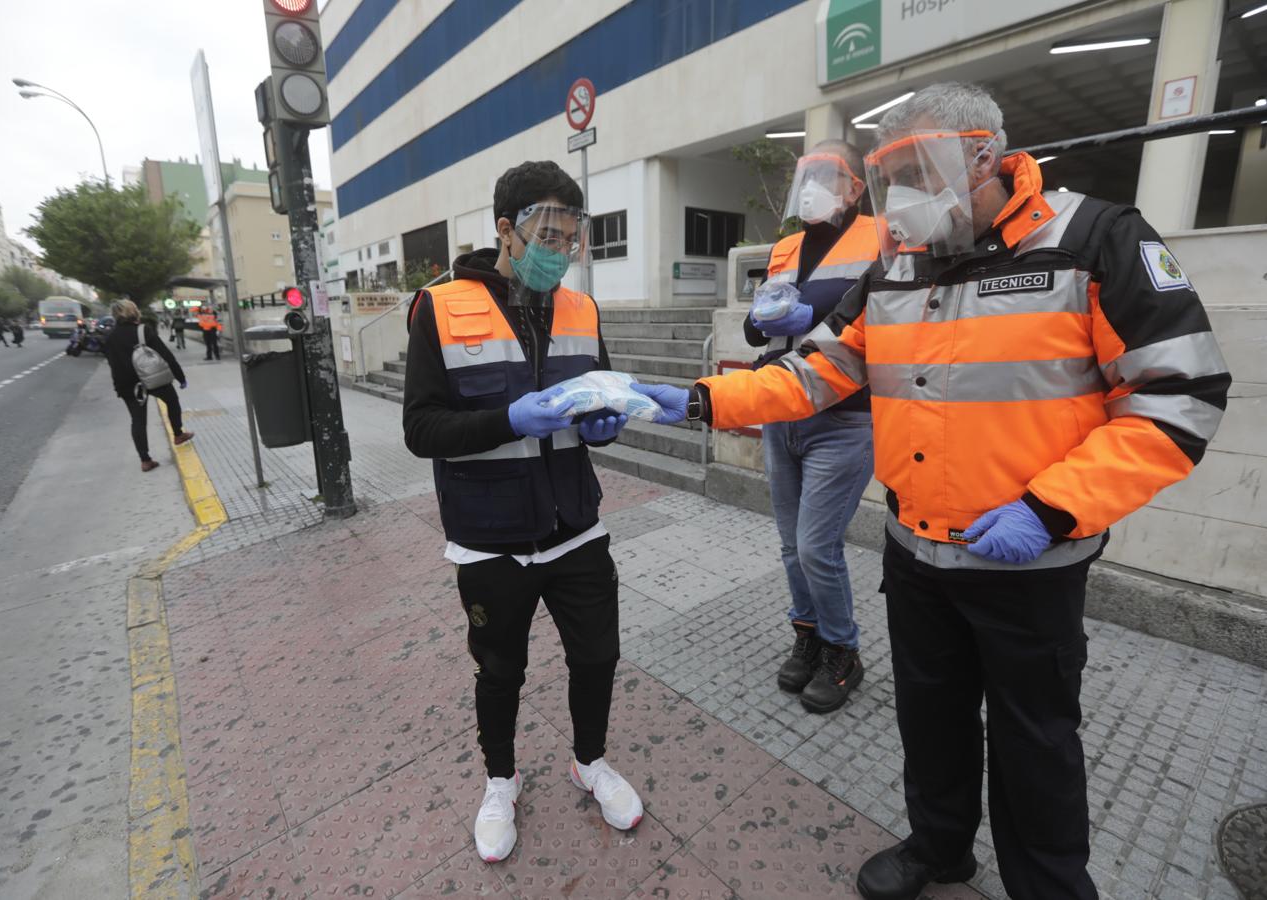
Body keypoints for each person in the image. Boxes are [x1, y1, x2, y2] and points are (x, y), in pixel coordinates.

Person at [635, 82, 1231, 900]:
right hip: (916, 556)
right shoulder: (894, 267)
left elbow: (1178, 396)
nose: (904, 196)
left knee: (1036, 744)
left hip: (1030, 564)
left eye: (920, 169)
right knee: (932, 722)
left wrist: (1051, 507)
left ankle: (1048, 885)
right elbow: (818, 373)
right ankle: (939, 847)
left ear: (983, 154)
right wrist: (704, 399)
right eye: (892, 175)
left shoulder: (1093, 239)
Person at [403, 160, 642, 864]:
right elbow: (422, 431)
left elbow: (599, 390)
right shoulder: (439, 307)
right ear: (506, 230)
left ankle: (589, 762)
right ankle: (500, 782)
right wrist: (509, 418)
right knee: (500, 670)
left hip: (576, 526)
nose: (559, 250)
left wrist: (606, 423)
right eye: (547, 234)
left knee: (598, 654)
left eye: (571, 238)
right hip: (489, 538)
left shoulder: (580, 308)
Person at [745, 141, 877, 713]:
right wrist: (760, 319)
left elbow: (888, 320)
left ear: (855, 187)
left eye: (828, 175)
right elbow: (760, 332)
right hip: (783, 412)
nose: (812, 186)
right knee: (791, 547)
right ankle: (809, 632)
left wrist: (813, 318)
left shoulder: (881, 238)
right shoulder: (785, 247)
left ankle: (844, 650)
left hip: (843, 419)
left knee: (816, 545)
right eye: (806, 174)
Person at [104, 299, 194, 472]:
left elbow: (112, 363)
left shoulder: (110, 336)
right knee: (172, 400)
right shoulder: (143, 330)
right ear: (133, 312)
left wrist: (119, 386)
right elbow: (165, 355)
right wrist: (180, 376)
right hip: (152, 379)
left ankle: (145, 460)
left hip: (127, 385)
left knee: (138, 420)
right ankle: (178, 434)